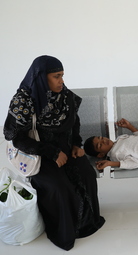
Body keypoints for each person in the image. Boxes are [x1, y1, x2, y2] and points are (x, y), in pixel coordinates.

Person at [3, 56, 105, 250]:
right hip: (39, 155)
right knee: (59, 187)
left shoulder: (65, 97)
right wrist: (51, 152)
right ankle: (64, 231)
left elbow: (74, 122)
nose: (62, 81)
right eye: (56, 76)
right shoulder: (23, 102)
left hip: (66, 150)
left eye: (62, 76)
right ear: (42, 77)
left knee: (86, 173)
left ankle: (87, 222)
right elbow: (17, 138)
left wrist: (76, 144)